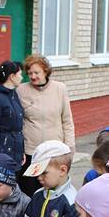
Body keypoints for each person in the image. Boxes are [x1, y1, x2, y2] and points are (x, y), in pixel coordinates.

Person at [16, 54, 75, 196]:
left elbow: (67, 120)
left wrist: (70, 147)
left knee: (53, 191)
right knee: (30, 192)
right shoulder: (21, 90)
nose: (33, 76)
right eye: (30, 73)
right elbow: (18, 121)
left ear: (45, 71)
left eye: (36, 72)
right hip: (32, 152)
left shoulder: (59, 89)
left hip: (54, 152)